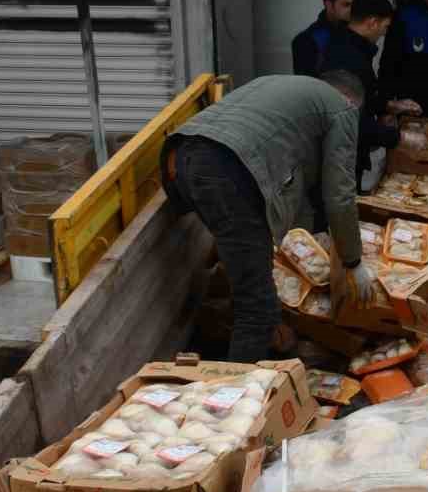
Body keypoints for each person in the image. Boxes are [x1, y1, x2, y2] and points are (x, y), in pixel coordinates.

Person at [161, 73, 381, 364]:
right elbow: (339, 196)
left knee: (250, 277)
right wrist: (353, 261)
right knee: (256, 307)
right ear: (352, 101)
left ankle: (260, 343)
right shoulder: (342, 109)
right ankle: (239, 398)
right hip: (228, 170)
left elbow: (296, 174)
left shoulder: (284, 86)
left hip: (181, 159)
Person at [320, 0, 421, 182]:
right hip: (340, 158)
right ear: (372, 22)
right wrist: (400, 138)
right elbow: (348, 119)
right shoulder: (347, 59)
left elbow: (359, 98)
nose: (384, 33)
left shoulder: (351, 48)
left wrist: (389, 105)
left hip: (348, 153)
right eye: (385, 27)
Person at [291, 0, 359, 77]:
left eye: (354, 5)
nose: (352, 10)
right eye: (346, 5)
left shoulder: (355, 33)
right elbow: (307, 85)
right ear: (329, 5)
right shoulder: (306, 40)